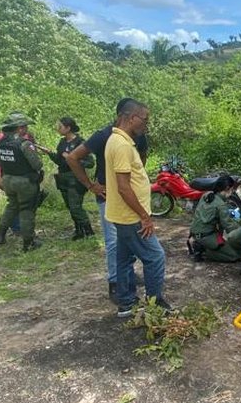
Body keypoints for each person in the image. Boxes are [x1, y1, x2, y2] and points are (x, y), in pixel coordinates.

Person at [64, 99, 151, 300]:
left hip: (130, 198)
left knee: (127, 241)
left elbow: (141, 160)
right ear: (127, 117)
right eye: (142, 118)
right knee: (114, 241)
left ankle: (125, 277)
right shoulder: (104, 136)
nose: (144, 124)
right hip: (108, 195)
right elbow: (72, 157)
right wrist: (90, 185)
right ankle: (115, 282)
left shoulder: (139, 135)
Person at [105, 99, 172, 317]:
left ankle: (126, 303)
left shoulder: (116, 139)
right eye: (145, 119)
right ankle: (155, 304)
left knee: (124, 259)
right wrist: (144, 216)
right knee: (155, 256)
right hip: (130, 216)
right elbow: (124, 187)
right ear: (131, 118)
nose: (146, 124)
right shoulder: (122, 145)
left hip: (120, 214)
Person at [0, 112, 44, 251]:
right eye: (24, 126)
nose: (26, 129)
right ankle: (28, 242)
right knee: (27, 210)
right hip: (24, 182)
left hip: (8, 179)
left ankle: (0, 235)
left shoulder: (1, 143)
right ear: (19, 128)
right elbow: (37, 165)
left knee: (11, 207)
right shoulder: (24, 144)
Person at [45, 117, 95, 240]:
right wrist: (50, 154)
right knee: (69, 207)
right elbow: (59, 160)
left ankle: (89, 231)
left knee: (75, 206)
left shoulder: (80, 142)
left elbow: (90, 163)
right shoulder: (62, 143)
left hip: (76, 178)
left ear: (68, 128)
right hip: (63, 177)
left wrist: (73, 159)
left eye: (60, 126)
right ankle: (78, 231)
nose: (58, 129)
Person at [188, 174, 241, 267]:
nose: (232, 192)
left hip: (195, 232)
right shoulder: (221, 205)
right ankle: (202, 248)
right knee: (235, 255)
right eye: (231, 190)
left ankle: (198, 243)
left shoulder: (206, 195)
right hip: (206, 236)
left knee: (226, 245)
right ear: (227, 188)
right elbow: (229, 226)